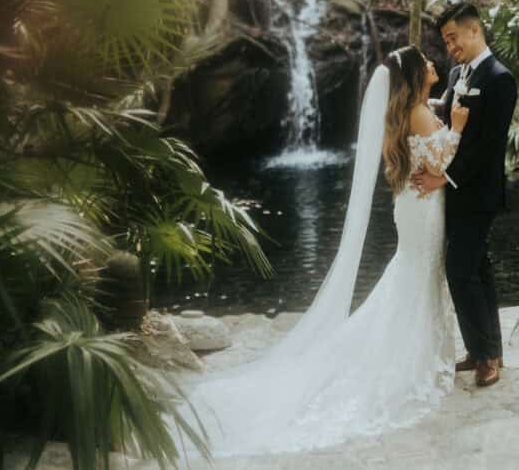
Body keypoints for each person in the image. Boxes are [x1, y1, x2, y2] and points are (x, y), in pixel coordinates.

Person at [178, 46, 468, 458]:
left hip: (412, 205)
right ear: (413, 76)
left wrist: (440, 127)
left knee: (412, 271)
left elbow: (426, 154)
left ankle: (410, 344)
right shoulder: (420, 114)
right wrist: (455, 127)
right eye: (425, 62)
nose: (433, 64)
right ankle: (414, 352)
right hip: (424, 210)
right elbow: (439, 162)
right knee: (419, 273)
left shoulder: (410, 110)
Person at [411, 1, 517, 388]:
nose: (450, 46)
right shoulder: (457, 73)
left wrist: (444, 178)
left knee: (459, 269)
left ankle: (487, 356)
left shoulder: (500, 79)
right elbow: (447, 126)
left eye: (453, 37)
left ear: (474, 31)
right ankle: (486, 350)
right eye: (445, 40)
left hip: (479, 191)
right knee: (478, 268)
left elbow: (488, 146)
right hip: (454, 194)